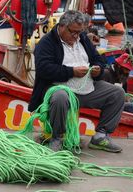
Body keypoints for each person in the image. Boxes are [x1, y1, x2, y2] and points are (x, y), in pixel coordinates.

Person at [29, 10, 125, 153]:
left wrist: (98, 70)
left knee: (117, 93)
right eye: (73, 32)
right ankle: (57, 138)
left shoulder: (83, 38)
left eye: (79, 32)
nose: (76, 36)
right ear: (62, 26)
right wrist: (71, 72)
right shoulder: (46, 43)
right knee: (60, 97)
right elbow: (44, 69)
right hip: (58, 88)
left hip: (86, 88)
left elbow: (98, 59)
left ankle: (101, 136)